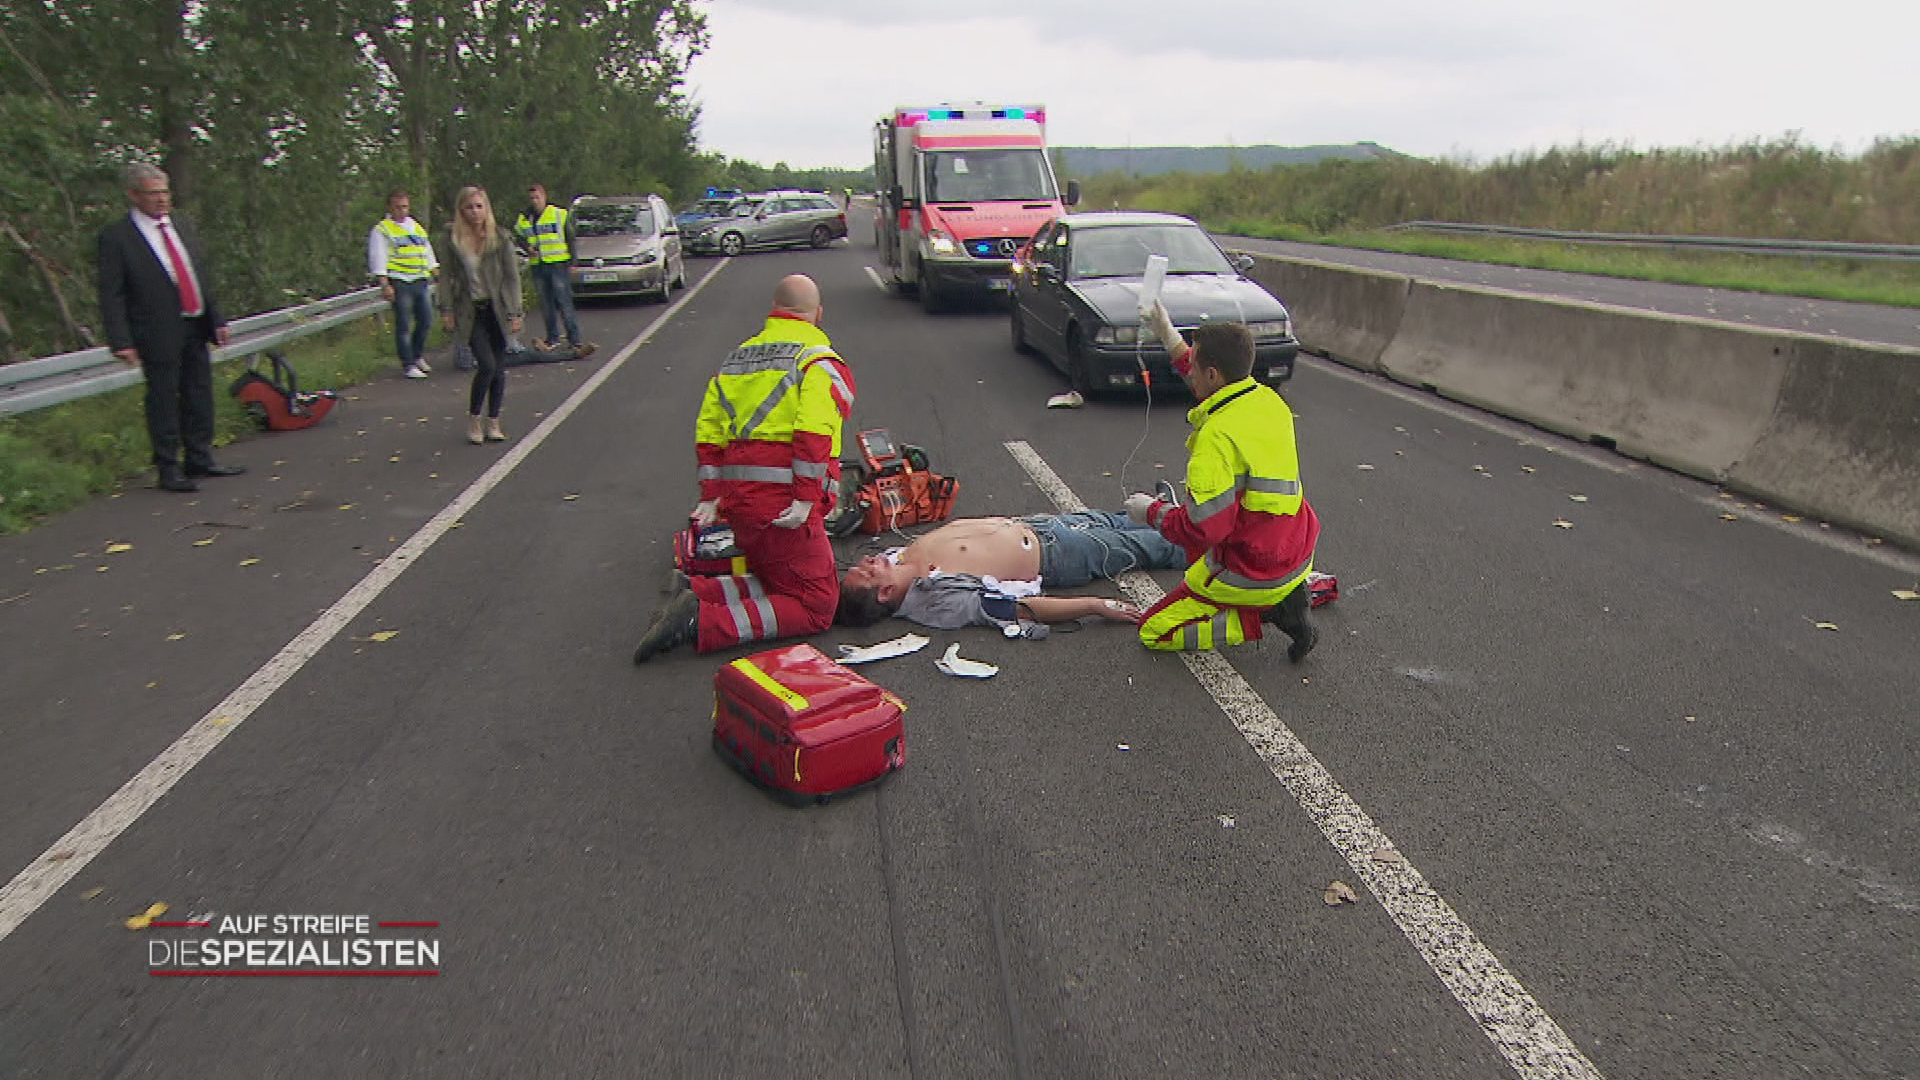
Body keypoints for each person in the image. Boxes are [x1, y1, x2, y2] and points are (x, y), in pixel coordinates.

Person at [633, 274, 856, 663]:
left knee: (779, 577)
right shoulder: (818, 362)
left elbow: (709, 431)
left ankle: (696, 591)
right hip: (785, 506)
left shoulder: (736, 359)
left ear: (774, 310)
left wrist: (711, 496)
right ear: (818, 314)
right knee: (817, 604)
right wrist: (805, 499)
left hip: (741, 505)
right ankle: (698, 621)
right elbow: (813, 433)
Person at [1124, 309, 1321, 660]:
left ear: (1212, 374)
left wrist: (1150, 511)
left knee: (1154, 631)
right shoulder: (1267, 400)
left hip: (1253, 569)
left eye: (1194, 367)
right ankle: (1286, 596)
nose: (1189, 373)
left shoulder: (1216, 438)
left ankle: (1263, 614)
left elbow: (1201, 530)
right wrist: (1166, 333)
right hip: (1297, 548)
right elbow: (1207, 379)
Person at [96, 163, 242, 494]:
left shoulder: (181, 225)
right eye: (153, 194)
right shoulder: (117, 237)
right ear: (134, 195)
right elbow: (111, 293)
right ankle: (168, 466)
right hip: (155, 328)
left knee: (198, 392)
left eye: (164, 192)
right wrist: (121, 340)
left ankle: (200, 457)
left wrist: (216, 319)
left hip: (195, 320)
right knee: (163, 397)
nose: (161, 200)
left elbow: (198, 275)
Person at [835, 512, 1176, 631]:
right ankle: (1205, 540)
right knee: (1155, 545)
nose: (867, 560)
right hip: (1057, 554)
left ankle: (1181, 513)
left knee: (1123, 519)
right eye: (867, 572)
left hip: (1040, 525)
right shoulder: (938, 601)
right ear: (884, 593)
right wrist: (1094, 605)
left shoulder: (897, 560)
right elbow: (1018, 609)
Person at [434, 185, 524, 446]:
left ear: (486, 209)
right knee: (486, 365)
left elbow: (512, 277)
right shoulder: (452, 239)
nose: (474, 212)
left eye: (479, 206)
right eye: (469, 208)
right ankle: (474, 418)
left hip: (497, 309)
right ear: (461, 211)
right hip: (470, 310)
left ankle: (493, 420)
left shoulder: (500, 238)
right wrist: (446, 309)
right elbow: (445, 277)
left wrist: (516, 311)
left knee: (499, 368)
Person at [513, 183, 594, 357]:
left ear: (544, 197)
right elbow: (518, 236)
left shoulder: (558, 213)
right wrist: (527, 247)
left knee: (564, 302)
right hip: (538, 264)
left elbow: (570, 237)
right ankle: (552, 338)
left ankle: (574, 339)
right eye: (532, 198)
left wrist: (573, 261)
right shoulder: (525, 217)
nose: (534, 201)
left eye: (537, 197)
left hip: (558, 263)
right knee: (546, 304)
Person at [368, 188, 439, 379]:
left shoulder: (415, 226)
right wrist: (384, 283)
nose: (402, 211)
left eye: (405, 207)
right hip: (400, 280)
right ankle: (408, 363)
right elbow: (378, 257)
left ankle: (417, 355)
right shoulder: (383, 230)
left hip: (420, 278)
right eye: (397, 207)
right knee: (404, 324)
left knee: (426, 320)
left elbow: (426, 250)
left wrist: (434, 270)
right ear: (389, 207)